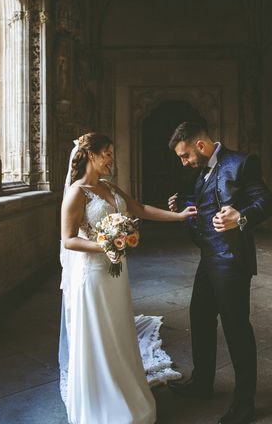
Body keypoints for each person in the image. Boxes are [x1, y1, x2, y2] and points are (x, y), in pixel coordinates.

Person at [59, 132, 197, 424]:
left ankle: (125, 388)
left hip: (116, 275)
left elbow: (140, 210)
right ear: (91, 155)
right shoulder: (77, 192)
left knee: (120, 330)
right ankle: (103, 400)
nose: (111, 158)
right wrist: (105, 245)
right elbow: (68, 239)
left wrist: (180, 217)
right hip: (93, 275)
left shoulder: (109, 186)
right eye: (107, 153)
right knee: (99, 333)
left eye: (111, 152)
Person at [167, 122, 272, 424]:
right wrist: (186, 207)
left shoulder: (241, 163)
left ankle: (245, 404)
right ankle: (203, 384)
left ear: (200, 146)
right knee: (199, 317)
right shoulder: (203, 171)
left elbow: (266, 202)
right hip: (209, 258)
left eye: (185, 155)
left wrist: (241, 218)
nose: (184, 162)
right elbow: (210, 204)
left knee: (236, 329)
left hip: (231, 260)